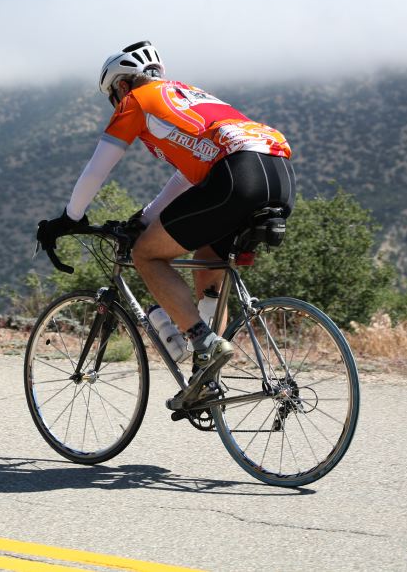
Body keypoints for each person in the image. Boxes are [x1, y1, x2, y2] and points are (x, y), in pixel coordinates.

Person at [37, 40, 296, 410]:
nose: (116, 103)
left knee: (147, 255)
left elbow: (98, 168)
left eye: (113, 95)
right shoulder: (189, 95)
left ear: (123, 85)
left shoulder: (137, 101)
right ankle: (206, 379)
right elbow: (187, 177)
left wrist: (69, 218)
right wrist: (146, 217)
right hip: (279, 173)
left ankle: (204, 344)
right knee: (208, 263)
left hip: (237, 175)